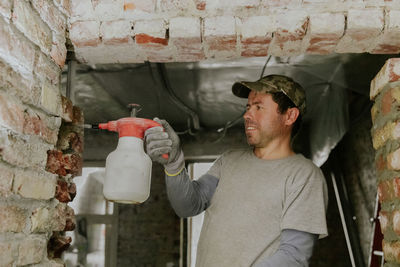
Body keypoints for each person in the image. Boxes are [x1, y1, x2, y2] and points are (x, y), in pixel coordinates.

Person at [144, 74, 328, 267]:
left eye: (259, 107)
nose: (247, 115)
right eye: (248, 107)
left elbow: (294, 256)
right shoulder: (230, 160)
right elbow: (188, 206)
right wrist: (173, 163)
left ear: (290, 116)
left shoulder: (304, 175)